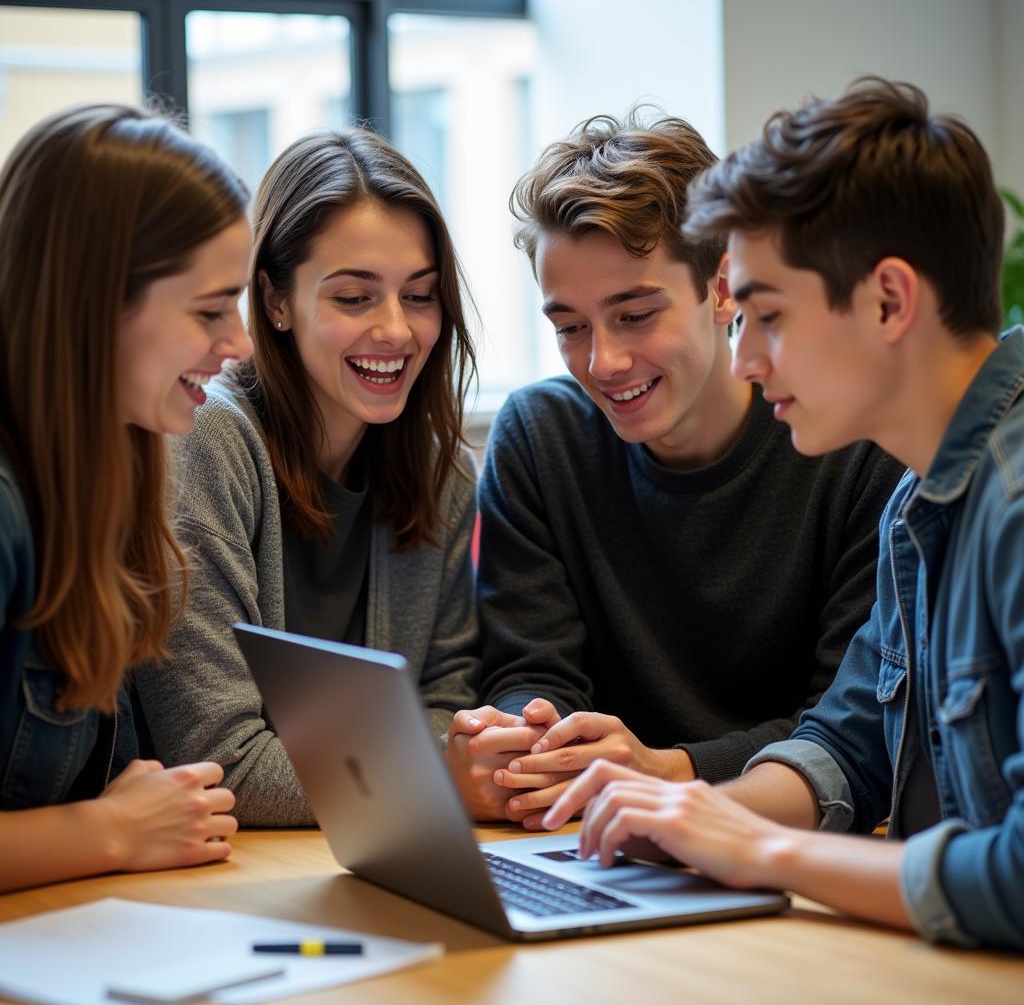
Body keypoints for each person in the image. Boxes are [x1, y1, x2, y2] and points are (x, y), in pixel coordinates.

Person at [544, 77, 1024, 952]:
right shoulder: (922, 499)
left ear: (888, 300)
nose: (749, 358)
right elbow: (850, 745)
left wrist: (764, 847)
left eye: (766, 315)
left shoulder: (1014, 504)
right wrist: (687, 814)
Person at [446, 111, 905, 826]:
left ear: (723, 289)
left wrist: (670, 771)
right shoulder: (541, 436)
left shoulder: (850, 451)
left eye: (634, 315)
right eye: (569, 327)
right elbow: (530, 668)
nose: (602, 362)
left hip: (786, 837)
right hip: (598, 831)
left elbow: (853, 724)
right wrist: (528, 739)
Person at [136, 129, 480, 826]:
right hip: (215, 873)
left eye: (419, 296)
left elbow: (453, 706)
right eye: (354, 298)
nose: (397, 331)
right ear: (275, 301)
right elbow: (222, 761)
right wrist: (434, 778)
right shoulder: (204, 443)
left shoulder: (444, 472)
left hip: (360, 850)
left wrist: (433, 770)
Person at [0, 104, 252, 891]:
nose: (240, 342)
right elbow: (119, 816)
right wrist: (108, 831)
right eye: (211, 309)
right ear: (94, 303)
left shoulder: (103, 481)